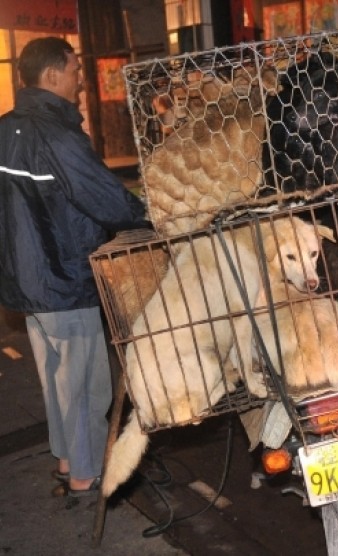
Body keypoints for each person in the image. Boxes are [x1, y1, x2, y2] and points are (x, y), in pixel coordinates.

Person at [0, 38, 147, 496]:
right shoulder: (56, 135)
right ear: (51, 77)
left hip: (27, 283)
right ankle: (85, 472)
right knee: (86, 384)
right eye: (75, 69)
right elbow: (102, 196)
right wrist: (147, 213)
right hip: (64, 277)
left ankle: (67, 458)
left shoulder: (5, 129)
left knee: (57, 381)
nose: (81, 79)